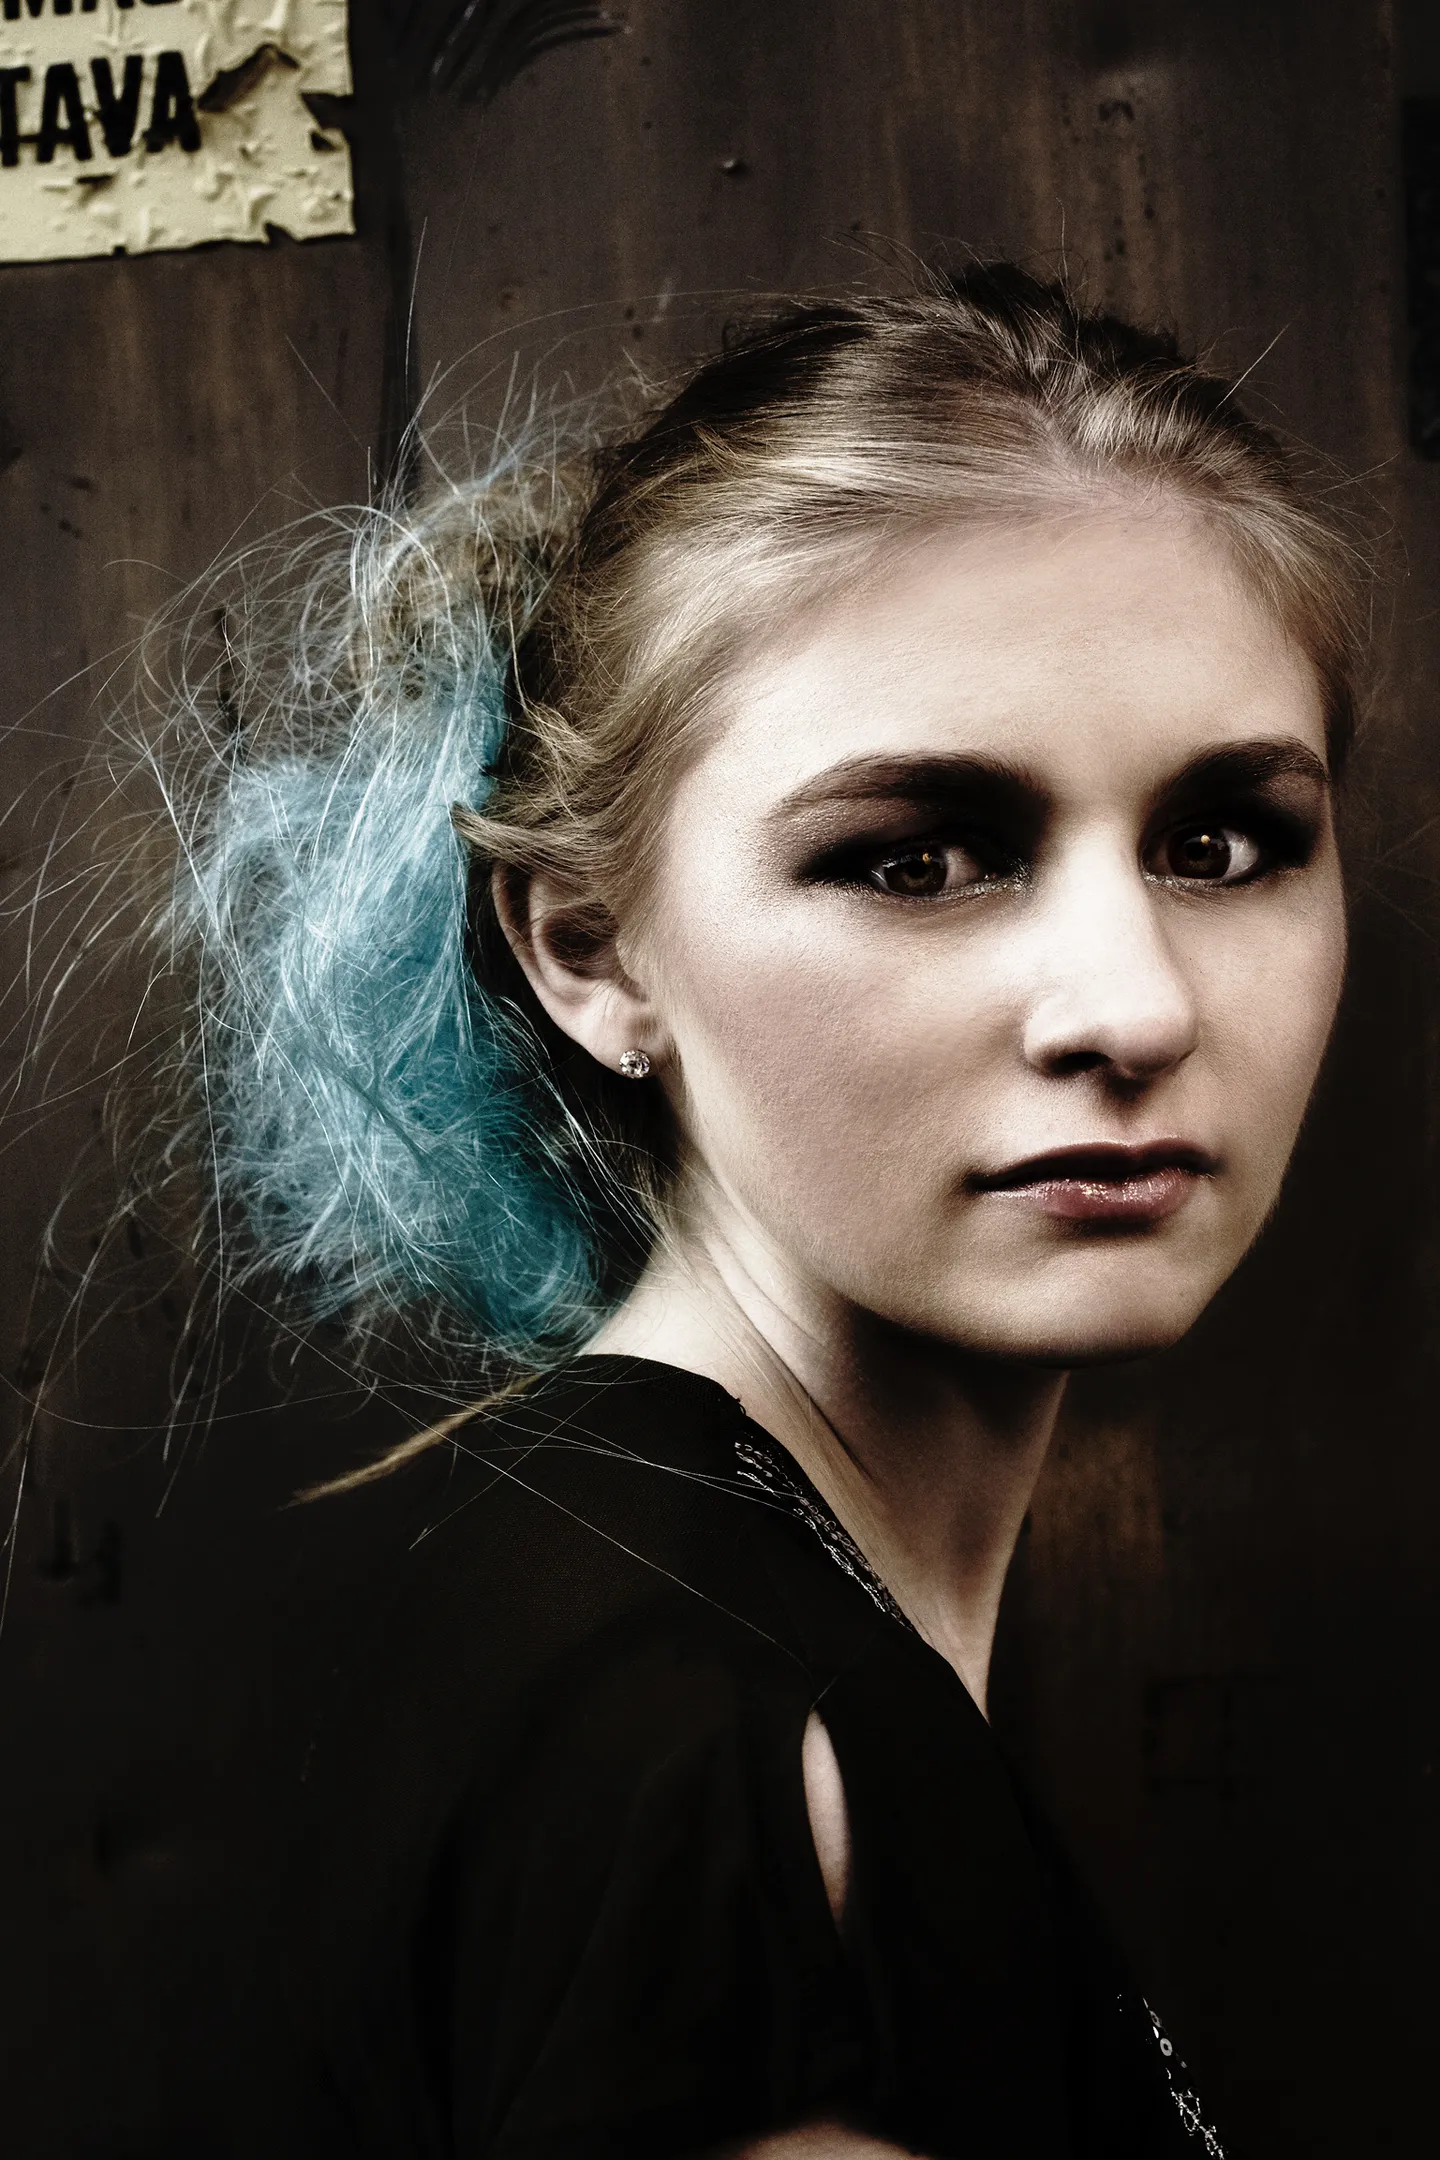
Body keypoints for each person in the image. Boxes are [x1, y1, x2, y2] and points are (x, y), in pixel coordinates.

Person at [165, 264, 1361, 2158]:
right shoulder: (715, 1747)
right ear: (587, 946)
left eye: (1220, 844)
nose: (1135, 1006)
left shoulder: (598, 1573)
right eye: (918, 857)